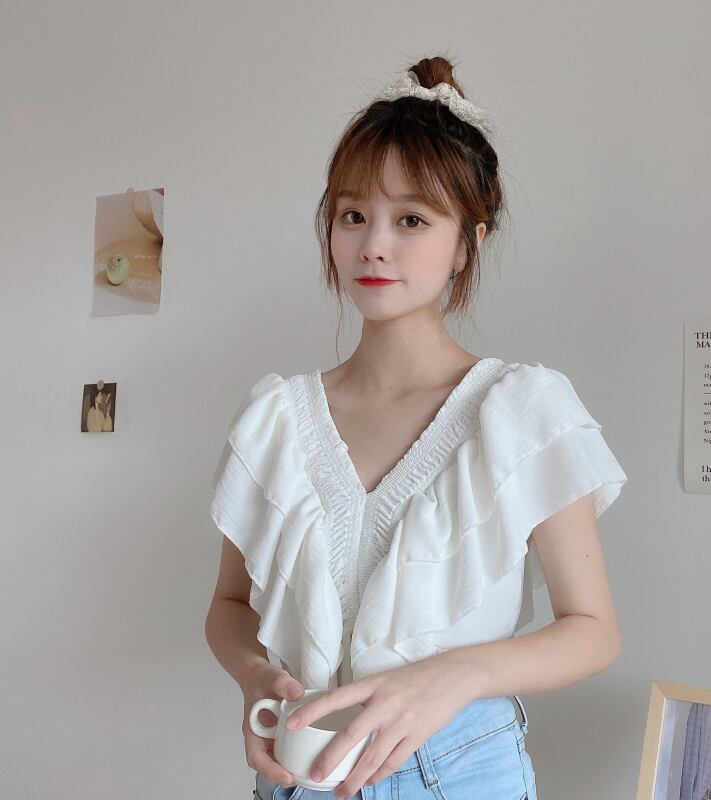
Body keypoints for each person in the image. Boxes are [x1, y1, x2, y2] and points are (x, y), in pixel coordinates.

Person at [205, 55, 628, 800]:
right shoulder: (276, 419)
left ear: (468, 243)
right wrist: (256, 678)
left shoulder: (521, 410)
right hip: (303, 768)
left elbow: (593, 628)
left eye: (411, 220)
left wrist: (456, 676)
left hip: (461, 771)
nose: (374, 244)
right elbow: (229, 607)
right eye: (352, 215)